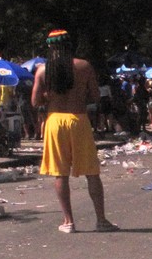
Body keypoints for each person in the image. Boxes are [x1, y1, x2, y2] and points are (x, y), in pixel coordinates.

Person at [32, 28, 116, 233]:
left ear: (50, 48)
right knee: (92, 172)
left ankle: (68, 222)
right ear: (70, 45)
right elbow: (96, 96)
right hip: (78, 119)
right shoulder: (84, 66)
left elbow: (35, 101)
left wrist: (47, 96)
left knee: (60, 174)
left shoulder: (43, 70)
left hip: (54, 121)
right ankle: (101, 220)